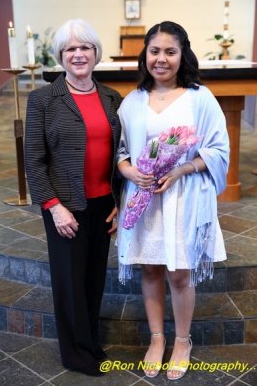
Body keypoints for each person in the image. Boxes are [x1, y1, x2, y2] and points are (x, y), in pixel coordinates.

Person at [116, 21, 230, 381]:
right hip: (144, 197)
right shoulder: (132, 101)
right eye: (155, 51)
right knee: (150, 268)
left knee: (179, 273)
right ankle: (156, 338)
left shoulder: (200, 97)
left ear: (183, 55)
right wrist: (130, 171)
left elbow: (218, 150)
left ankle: (182, 340)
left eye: (170, 51)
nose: (161, 59)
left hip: (183, 197)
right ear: (145, 54)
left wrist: (181, 170)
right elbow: (121, 151)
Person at [24, 18, 122, 377]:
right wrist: (53, 207)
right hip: (66, 206)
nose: (78, 54)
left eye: (85, 47)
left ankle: (91, 342)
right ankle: (76, 354)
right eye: (70, 49)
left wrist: (120, 203)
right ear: (60, 56)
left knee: (94, 278)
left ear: (96, 53)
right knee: (69, 281)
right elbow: (33, 161)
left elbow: (121, 154)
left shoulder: (112, 97)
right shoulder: (43, 100)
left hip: (103, 204)